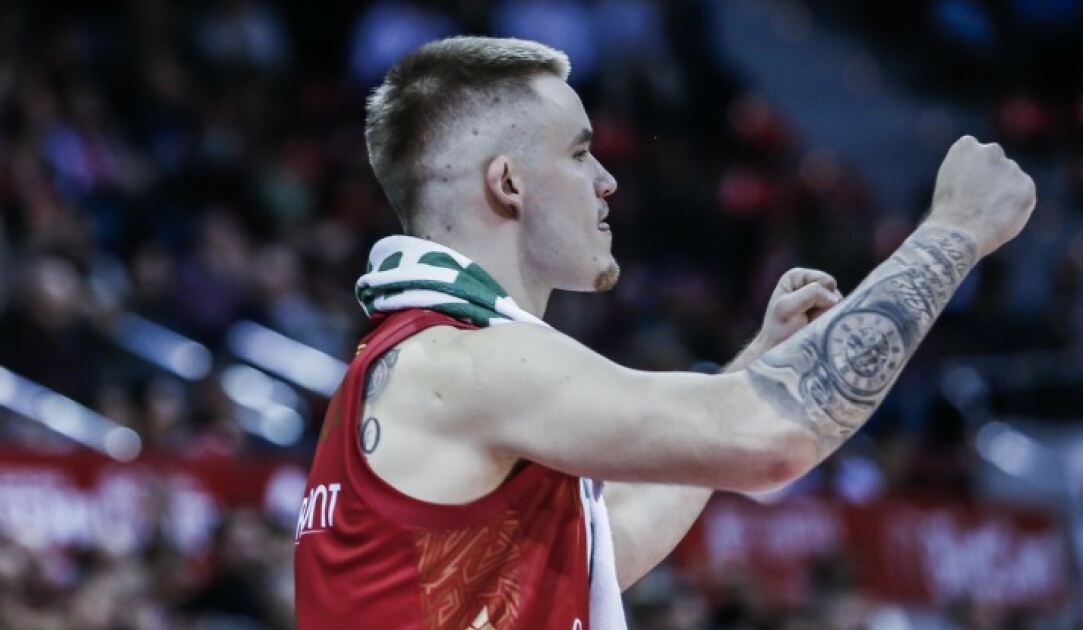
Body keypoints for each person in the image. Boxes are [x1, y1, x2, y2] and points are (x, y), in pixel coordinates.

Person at [293, 36, 1036, 630]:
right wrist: (955, 231)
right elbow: (771, 441)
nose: (607, 179)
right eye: (579, 152)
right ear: (509, 183)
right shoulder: (461, 358)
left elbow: (598, 554)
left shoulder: (416, 353)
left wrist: (751, 366)